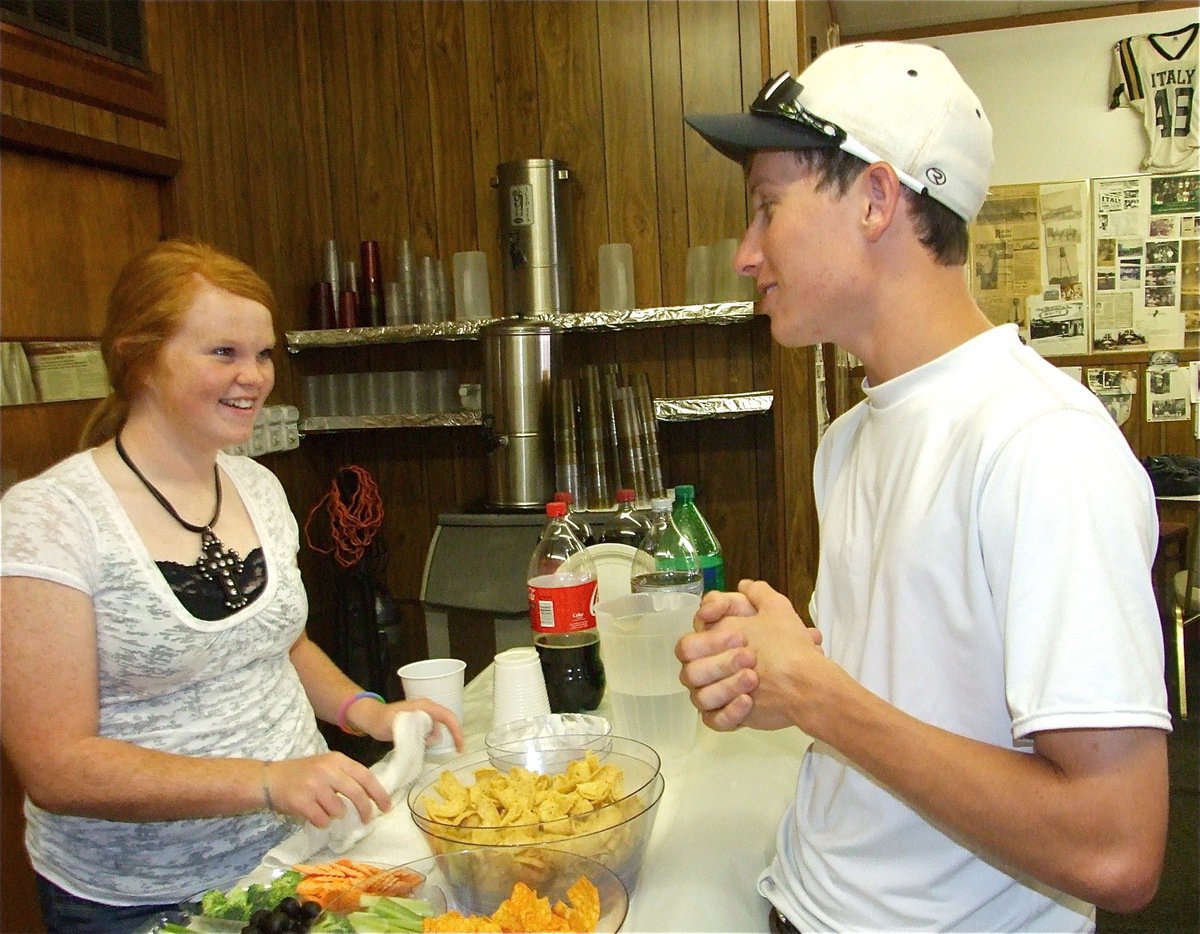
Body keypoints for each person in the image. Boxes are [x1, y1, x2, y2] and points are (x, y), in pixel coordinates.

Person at [679, 42, 1170, 933]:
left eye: (766, 209)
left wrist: (820, 695)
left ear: (875, 198)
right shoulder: (850, 440)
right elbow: (915, 695)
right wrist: (776, 675)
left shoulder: (1042, 447)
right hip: (803, 900)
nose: (747, 254)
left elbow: (1116, 849)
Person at [0, 239, 464, 934]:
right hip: (144, 901)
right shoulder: (50, 519)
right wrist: (267, 781)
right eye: (223, 353)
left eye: (265, 354)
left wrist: (365, 711)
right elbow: (56, 767)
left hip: (303, 858)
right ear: (141, 358)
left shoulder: (256, 485)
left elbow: (281, 641)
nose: (254, 376)